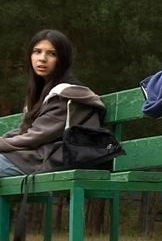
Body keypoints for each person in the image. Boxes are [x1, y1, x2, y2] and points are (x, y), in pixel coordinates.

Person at [0, 30, 106, 177]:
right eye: (37, 51)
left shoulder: (67, 95)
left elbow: (34, 137)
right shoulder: (41, 93)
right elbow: (24, 131)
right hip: (30, 159)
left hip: (46, 162)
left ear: (63, 59)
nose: (42, 59)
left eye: (51, 54)